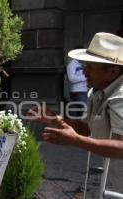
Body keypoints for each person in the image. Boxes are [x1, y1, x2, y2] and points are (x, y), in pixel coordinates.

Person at [27, 32, 123, 194]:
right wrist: (56, 120)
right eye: (86, 65)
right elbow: (86, 128)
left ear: (113, 72)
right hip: (114, 180)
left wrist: (76, 140)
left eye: (91, 67)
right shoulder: (96, 93)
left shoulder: (120, 96)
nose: (85, 72)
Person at [66, 45, 88, 117]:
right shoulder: (72, 65)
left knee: (81, 113)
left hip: (83, 91)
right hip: (77, 92)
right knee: (84, 112)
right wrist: (85, 77)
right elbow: (72, 78)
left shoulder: (81, 64)